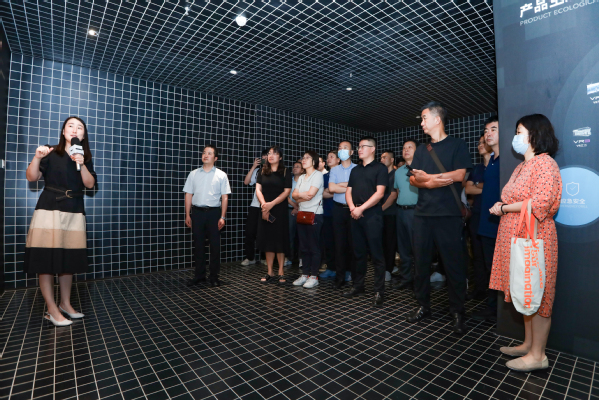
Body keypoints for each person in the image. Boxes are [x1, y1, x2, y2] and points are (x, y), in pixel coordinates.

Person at [489, 114, 561, 372]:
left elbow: (540, 203)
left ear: (535, 134)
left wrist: (504, 207)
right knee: (525, 290)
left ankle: (538, 355)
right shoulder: (522, 166)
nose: (516, 137)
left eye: (519, 132)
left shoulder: (545, 163)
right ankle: (529, 345)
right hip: (517, 238)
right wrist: (504, 206)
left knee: (538, 295)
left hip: (534, 238)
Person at [406, 102, 473, 334]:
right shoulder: (421, 150)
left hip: (448, 215)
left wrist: (431, 178)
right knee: (421, 264)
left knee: (453, 265)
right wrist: (429, 182)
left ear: (437, 119)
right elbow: (413, 179)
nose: (421, 123)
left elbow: (460, 174)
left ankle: (458, 312)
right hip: (422, 215)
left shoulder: (457, 145)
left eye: (424, 118)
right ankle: (423, 306)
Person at [25, 116, 97, 326]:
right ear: (63, 131)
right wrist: (37, 157)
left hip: (74, 210)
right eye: (70, 126)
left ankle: (65, 304)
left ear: (83, 135)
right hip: (49, 208)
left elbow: (90, 184)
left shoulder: (85, 156)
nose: (75, 129)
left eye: (79, 127)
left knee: (68, 260)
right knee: (45, 260)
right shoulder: (50, 152)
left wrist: (82, 163)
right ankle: (51, 309)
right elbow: (31, 177)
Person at [345, 137, 388, 306]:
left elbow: (380, 193)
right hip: (355, 214)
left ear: (372, 149)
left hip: (372, 215)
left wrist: (361, 209)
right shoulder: (355, 170)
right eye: (359, 146)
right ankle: (358, 286)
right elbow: (348, 191)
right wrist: (352, 208)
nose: (360, 149)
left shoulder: (380, 168)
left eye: (363, 146)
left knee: (377, 254)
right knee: (358, 253)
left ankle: (379, 291)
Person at [184, 145, 231, 288]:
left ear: (215, 158)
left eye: (209, 153)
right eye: (204, 152)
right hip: (197, 213)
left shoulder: (221, 175)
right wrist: (187, 214)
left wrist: (222, 217)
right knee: (198, 245)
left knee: (215, 246)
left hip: (214, 213)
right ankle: (199, 276)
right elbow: (188, 194)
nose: (205, 155)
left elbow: (225, 197)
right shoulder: (193, 174)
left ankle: (214, 277)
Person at [256, 146, 293, 284]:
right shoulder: (262, 170)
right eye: (269, 153)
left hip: (279, 209)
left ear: (280, 157)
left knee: (279, 240)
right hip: (265, 208)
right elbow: (258, 190)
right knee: (268, 240)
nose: (271, 155)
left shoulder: (285, 171)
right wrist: (264, 205)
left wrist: (271, 204)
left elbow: (286, 191)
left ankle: (281, 271)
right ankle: (270, 271)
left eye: (275, 153)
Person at [465, 134, 492, 300]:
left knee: (491, 256)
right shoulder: (477, 169)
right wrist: (486, 186)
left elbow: (498, 187)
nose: (480, 144)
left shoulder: (498, 165)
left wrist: (479, 185)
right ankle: (480, 289)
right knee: (477, 254)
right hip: (476, 215)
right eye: (479, 142)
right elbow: (468, 189)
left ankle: (494, 294)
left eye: (483, 142)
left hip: (492, 216)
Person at [292, 151, 325, 288]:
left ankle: (314, 276)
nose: (303, 160)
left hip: (315, 214)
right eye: (303, 158)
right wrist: (300, 196)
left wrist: (300, 195)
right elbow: (294, 196)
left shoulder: (318, 175)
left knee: (314, 247)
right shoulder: (301, 177)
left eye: (307, 158)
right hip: (302, 213)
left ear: (314, 161)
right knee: (304, 247)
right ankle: (305, 274)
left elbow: (311, 195)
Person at [329, 140, 357, 289]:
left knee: (354, 244)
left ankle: (354, 277)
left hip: (353, 209)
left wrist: (341, 185)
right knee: (339, 245)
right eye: (340, 148)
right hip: (338, 209)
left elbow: (358, 188)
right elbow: (332, 188)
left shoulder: (357, 169)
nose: (342, 150)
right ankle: (340, 278)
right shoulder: (334, 170)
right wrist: (349, 186)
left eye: (345, 148)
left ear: (351, 152)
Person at [392, 140, 419, 291]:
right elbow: (397, 192)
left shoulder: (422, 169)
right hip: (400, 211)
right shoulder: (398, 172)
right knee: (403, 248)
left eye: (410, 147)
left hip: (416, 212)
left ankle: (419, 281)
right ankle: (406, 278)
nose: (406, 150)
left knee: (418, 248)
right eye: (404, 148)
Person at [241, 149, 269, 266]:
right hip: (255, 205)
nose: (264, 158)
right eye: (263, 156)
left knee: (265, 233)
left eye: (266, 156)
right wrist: (253, 167)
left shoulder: (275, 172)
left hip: (268, 206)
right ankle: (250, 257)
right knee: (250, 232)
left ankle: (264, 257)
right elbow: (246, 182)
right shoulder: (257, 171)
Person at [320, 150, 340, 279]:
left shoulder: (343, 174)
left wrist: (331, 190)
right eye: (328, 157)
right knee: (329, 243)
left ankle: (344, 270)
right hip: (327, 213)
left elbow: (347, 190)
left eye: (332, 157)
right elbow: (321, 193)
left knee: (341, 243)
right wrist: (336, 190)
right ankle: (331, 268)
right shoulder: (324, 176)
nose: (329, 159)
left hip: (340, 213)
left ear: (338, 160)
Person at [380, 150, 398, 282]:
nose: (382, 159)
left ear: (392, 160)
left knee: (390, 243)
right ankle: (384, 267)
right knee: (382, 243)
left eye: (385, 157)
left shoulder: (395, 174)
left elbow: (393, 196)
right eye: (381, 157)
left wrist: (380, 210)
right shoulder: (381, 175)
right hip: (381, 214)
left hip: (391, 213)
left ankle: (388, 269)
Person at [288, 161, 304, 266]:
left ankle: (301, 258)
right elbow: (285, 195)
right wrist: (294, 206)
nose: (295, 168)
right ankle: (290, 258)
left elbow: (305, 195)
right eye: (294, 167)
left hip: (302, 210)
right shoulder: (289, 181)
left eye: (297, 167)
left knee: (301, 235)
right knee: (290, 235)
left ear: (302, 170)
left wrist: (297, 207)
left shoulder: (304, 181)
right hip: (289, 210)